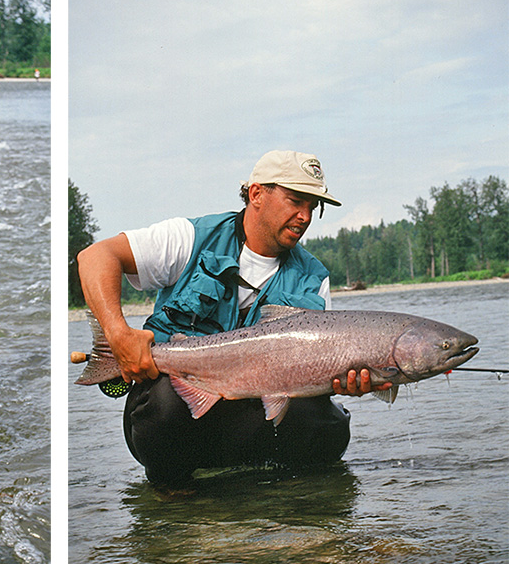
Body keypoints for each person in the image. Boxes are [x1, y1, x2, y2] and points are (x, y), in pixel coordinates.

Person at [76, 150, 386, 488]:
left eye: (313, 207)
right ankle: (173, 501)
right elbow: (94, 257)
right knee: (164, 405)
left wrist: (346, 380)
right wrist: (117, 334)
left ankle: (284, 508)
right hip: (177, 411)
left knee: (328, 425)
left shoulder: (314, 280)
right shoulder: (190, 238)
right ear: (256, 194)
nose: (304, 216)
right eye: (296, 201)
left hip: (251, 419)